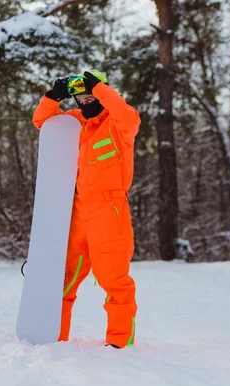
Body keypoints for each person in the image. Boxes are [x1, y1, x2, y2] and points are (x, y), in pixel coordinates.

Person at [32, 70, 141, 348]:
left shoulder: (119, 124)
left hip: (110, 211)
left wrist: (100, 88)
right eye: (81, 96)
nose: (86, 100)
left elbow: (126, 114)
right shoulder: (74, 123)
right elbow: (43, 123)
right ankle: (54, 335)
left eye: (91, 93)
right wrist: (52, 97)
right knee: (62, 278)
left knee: (114, 279)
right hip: (77, 211)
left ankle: (119, 341)